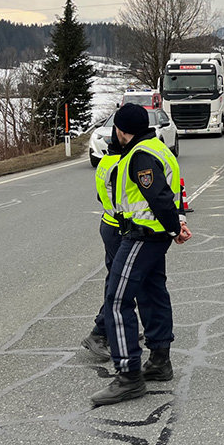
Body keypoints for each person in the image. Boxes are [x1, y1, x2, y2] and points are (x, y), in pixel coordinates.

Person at [90, 103, 192, 407]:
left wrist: (175, 228)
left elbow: (158, 195)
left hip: (142, 236)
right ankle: (160, 361)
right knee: (152, 292)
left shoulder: (140, 156)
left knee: (117, 299)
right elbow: (171, 193)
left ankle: (128, 376)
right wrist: (177, 224)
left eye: (117, 131)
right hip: (153, 235)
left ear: (123, 130)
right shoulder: (158, 148)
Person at [81, 129, 149, 361]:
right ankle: (100, 332)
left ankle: (116, 328)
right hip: (121, 228)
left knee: (118, 280)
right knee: (120, 284)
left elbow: (102, 197)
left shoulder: (106, 162)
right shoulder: (122, 163)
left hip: (109, 224)